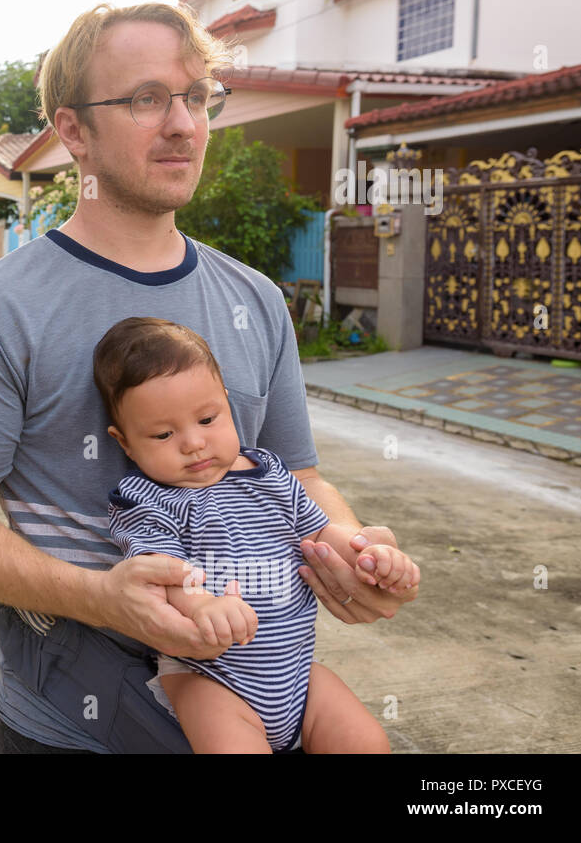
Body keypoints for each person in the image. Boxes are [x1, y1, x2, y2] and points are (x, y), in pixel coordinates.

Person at [0, 1, 420, 753]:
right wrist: (102, 598)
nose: (183, 123)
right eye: (146, 99)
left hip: (256, 703)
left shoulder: (254, 299)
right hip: (67, 727)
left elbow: (298, 477)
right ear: (74, 132)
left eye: (195, 97)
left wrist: (350, 552)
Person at [96, 316, 415, 753]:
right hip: (208, 675)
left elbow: (320, 533)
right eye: (164, 434)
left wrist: (370, 558)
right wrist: (203, 603)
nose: (193, 443)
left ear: (227, 405)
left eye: (208, 419)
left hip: (296, 672)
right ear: (125, 442)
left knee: (366, 742)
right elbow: (160, 573)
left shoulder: (269, 475)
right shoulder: (147, 500)